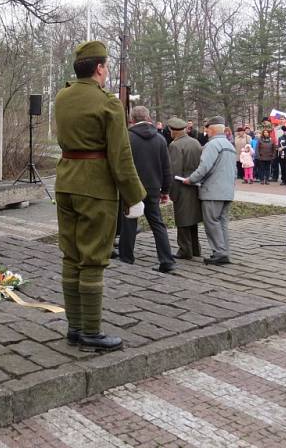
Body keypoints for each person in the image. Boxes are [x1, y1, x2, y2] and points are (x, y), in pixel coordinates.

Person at [54, 40, 145, 353]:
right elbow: (120, 155)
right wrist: (135, 196)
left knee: (71, 254)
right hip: (95, 187)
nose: (107, 71)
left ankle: (74, 327)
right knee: (93, 257)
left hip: (65, 181)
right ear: (99, 68)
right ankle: (91, 331)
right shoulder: (107, 103)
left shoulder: (62, 97)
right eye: (106, 66)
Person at [118, 106, 174, 273]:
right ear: (148, 118)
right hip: (153, 188)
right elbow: (167, 168)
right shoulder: (160, 139)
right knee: (157, 223)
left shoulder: (126, 138)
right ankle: (166, 260)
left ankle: (126, 258)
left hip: (132, 188)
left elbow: (121, 165)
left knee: (129, 221)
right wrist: (165, 191)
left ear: (131, 120)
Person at [183, 116, 237, 265]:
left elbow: (204, 167)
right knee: (222, 222)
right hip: (227, 191)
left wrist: (191, 179)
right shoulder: (229, 145)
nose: (205, 131)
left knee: (212, 222)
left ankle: (219, 253)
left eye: (206, 129)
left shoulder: (212, 145)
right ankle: (224, 251)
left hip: (213, 191)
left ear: (211, 129)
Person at [167, 117, 203, 260]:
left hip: (182, 185)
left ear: (172, 131)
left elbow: (174, 171)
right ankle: (195, 248)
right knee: (192, 218)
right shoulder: (195, 142)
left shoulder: (175, 145)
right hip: (195, 185)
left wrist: (172, 192)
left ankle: (185, 250)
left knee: (182, 219)